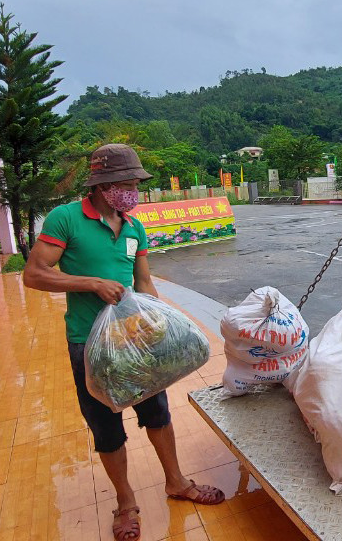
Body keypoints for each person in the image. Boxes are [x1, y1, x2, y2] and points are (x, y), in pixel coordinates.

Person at [23, 144, 225, 541]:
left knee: (159, 415)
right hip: (90, 345)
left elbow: (144, 282)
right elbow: (34, 274)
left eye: (135, 183)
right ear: (101, 184)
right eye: (125, 183)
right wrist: (91, 283)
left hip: (135, 343)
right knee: (107, 428)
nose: (132, 190)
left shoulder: (133, 226)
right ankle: (126, 503)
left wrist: (164, 323)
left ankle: (177, 482)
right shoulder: (66, 219)